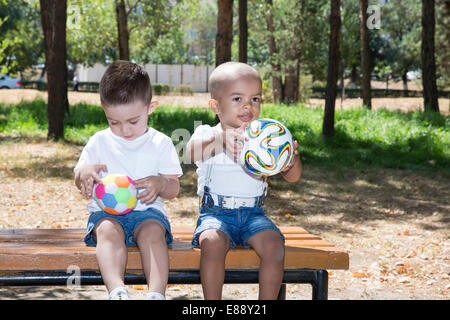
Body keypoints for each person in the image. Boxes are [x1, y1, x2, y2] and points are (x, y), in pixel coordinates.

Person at [186, 62, 302, 300]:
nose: (248, 106)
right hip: (216, 214)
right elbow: (190, 153)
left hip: (254, 215)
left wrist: (291, 161)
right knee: (212, 243)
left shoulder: (267, 140)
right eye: (237, 99)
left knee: (274, 245)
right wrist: (220, 140)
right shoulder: (208, 133)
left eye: (255, 99)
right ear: (215, 106)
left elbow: (293, 177)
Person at [74, 60, 182, 300]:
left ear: (150, 107)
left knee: (153, 232)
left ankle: (156, 293)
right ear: (105, 111)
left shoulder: (160, 143)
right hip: (107, 214)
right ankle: (117, 290)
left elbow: (174, 187)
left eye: (133, 121)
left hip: (148, 213)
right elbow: (78, 175)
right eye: (114, 122)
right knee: (107, 231)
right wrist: (84, 174)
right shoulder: (99, 141)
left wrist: (161, 184)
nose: (124, 130)